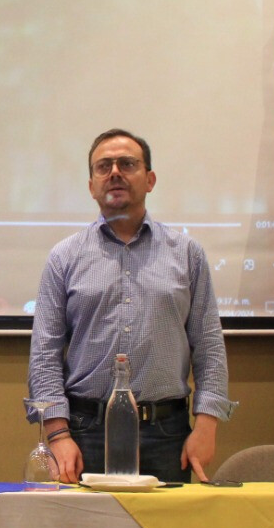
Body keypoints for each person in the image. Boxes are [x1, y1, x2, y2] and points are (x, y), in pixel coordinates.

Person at [28, 128, 233, 483]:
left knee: (168, 522)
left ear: (150, 179)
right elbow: (44, 353)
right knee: (87, 523)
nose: (115, 173)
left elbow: (209, 345)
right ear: (91, 185)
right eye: (103, 166)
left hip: (167, 435)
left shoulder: (187, 254)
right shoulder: (64, 257)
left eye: (127, 164)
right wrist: (58, 435)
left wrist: (206, 425)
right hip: (84, 434)